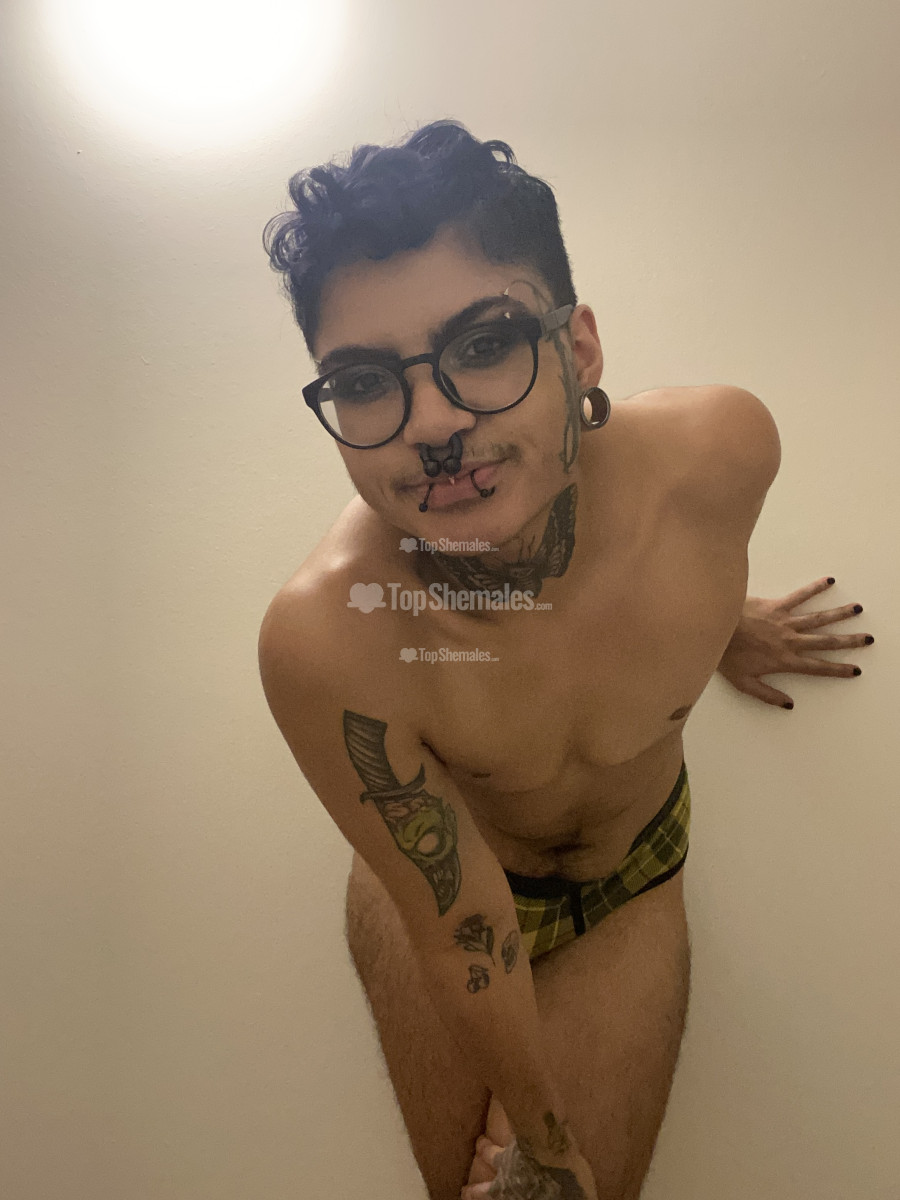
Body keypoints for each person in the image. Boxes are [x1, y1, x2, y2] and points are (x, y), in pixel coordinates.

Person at [256, 120, 870, 1200]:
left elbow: (680, 560)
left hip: (637, 870)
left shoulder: (721, 455)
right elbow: (465, 931)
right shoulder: (329, 640)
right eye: (363, 380)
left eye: (483, 343)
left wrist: (725, 623)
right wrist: (543, 1141)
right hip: (458, 894)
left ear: (578, 349)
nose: (432, 423)